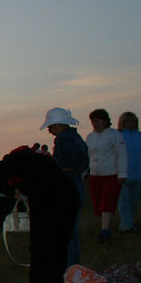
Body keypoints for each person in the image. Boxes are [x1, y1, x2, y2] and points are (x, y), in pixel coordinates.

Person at [0, 147, 79, 283]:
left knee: (40, 242)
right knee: (59, 243)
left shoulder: (9, 165)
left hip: (47, 197)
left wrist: (13, 191)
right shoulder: (39, 160)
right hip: (69, 193)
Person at [41, 107, 89, 265]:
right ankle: (73, 267)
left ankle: (68, 269)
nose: (50, 130)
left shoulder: (65, 140)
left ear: (60, 125)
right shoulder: (75, 137)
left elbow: (70, 160)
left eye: (52, 126)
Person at [86, 109, 127, 243]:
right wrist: (85, 171)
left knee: (107, 202)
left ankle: (105, 230)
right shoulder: (90, 137)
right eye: (93, 121)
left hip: (111, 174)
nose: (95, 123)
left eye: (98, 120)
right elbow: (88, 156)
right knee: (98, 203)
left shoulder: (114, 135)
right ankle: (104, 225)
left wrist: (122, 173)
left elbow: (122, 154)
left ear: (105, 121)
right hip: (95, 175)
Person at [117, 111, 141, 232]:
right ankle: (125, 226)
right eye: (128, 122)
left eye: (133, 121)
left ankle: (130, 223)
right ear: (122, 123)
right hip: (123, 174)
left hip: (139, 173)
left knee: (134, 201)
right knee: (123, 200)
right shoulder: (118, 136)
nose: (130, 124)